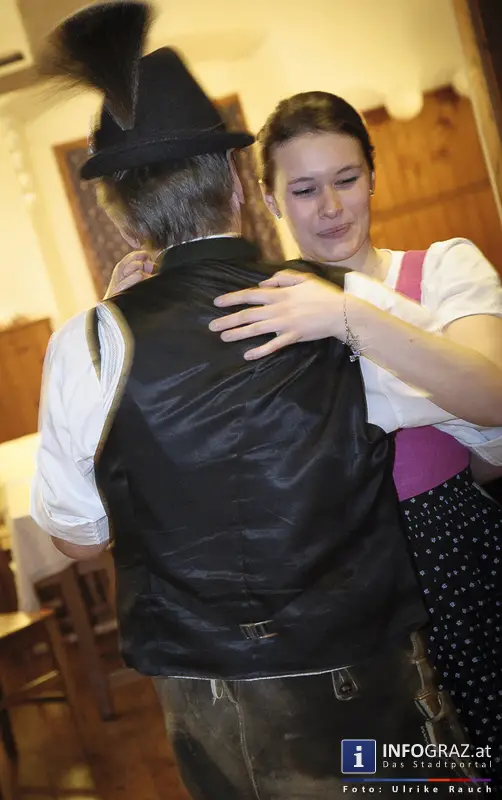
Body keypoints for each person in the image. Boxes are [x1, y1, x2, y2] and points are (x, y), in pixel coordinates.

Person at [31, 4, 483, 796]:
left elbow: (75, 538)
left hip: (207, 707)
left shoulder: (88, 344)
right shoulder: (344, 303)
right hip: (365, 688)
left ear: (124, 214)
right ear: (241, 185)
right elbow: (488, 415)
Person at [206, 90, 502, 780]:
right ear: (270, 198)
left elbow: (492, 396)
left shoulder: (442, 270)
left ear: (373, 173)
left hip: (452, 553)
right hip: (333, 585)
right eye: (304, 190)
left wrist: (346, 313)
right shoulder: (253, 309)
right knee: (400, 773)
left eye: (346, 180)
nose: (332, 208)